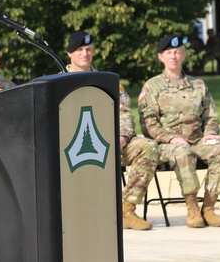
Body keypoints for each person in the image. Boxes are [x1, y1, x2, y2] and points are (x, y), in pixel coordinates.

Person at [65, 30, 158, 230]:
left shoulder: (108, 82)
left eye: (88, 49)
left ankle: (126, 209)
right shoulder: (58, 83)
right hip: (72, 150)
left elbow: (125, 114)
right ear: (69, 54)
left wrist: (122, 137)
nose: (85, 53)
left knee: (148, 147)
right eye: (80, 50)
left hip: (111, 145)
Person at [138, 34, 220, 228]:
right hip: (166, 145)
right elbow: (148, 124)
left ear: (184, 55)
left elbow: (211, 116)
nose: (173, 56)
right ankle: (192, 207)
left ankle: (208, 208)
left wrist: (210, 133)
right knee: (183, 152)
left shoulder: (198, 85)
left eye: (177, 52)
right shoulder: (152, 86)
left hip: (197, 141)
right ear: (160, 57)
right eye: (168, 53)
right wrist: (171, 139)